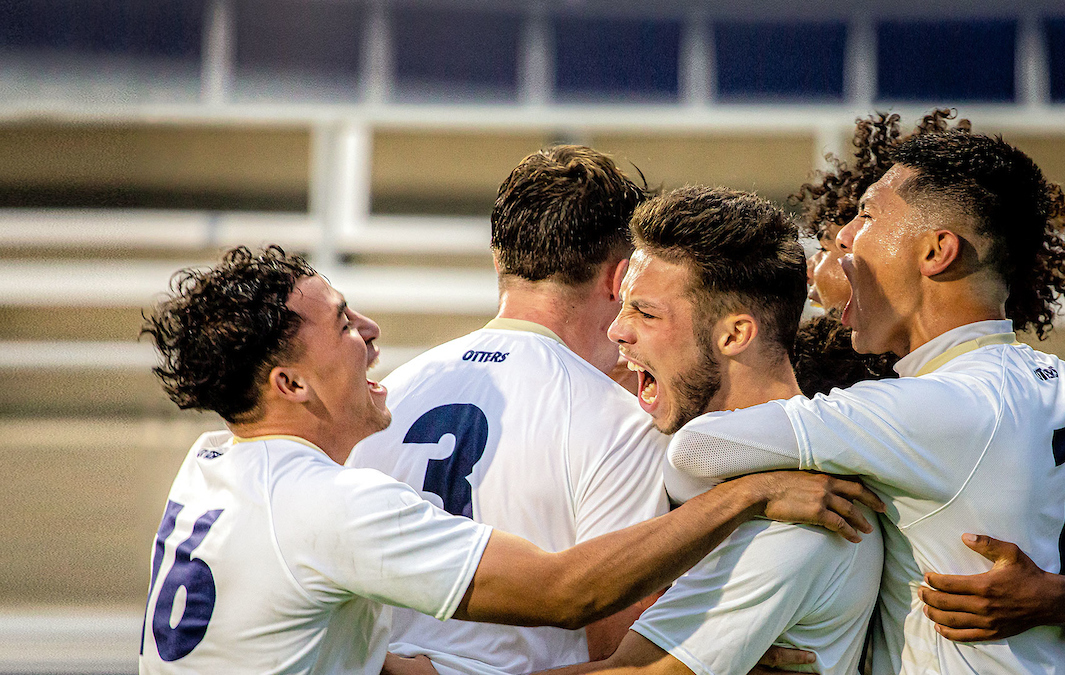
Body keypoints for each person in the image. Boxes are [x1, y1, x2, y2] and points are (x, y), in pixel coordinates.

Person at [136, 246, 883, 675]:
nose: (370, 328)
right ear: (290, 383)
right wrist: (745, 495)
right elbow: (567, 592)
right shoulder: (327, 505)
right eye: (342, 324)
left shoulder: (210, 466)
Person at [666, 131, 1065, 674]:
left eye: (866, 216)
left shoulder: (934, 407)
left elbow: (696, 450)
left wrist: (764, 490)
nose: (847, 238)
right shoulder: (1051, 381)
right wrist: (1057, 598)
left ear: (935, 251)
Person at [791, 110, 1065, 652]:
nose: (833, 264)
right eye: (830, 247)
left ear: (933, 255)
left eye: (846, 246)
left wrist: (1052, 595)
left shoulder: (950, 401)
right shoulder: (1016, 385)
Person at [348, 145, 670, 674]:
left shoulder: (384, 397)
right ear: (621, 278)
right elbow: (618, 657)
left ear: (499, 259)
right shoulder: (622, 423)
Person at [541, 186, 884, 675]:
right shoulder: (731, 471)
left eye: (646, 312)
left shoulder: (801, 510)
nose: (618, 330)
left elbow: (636, 672)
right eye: (623, 306)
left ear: (734, 335)